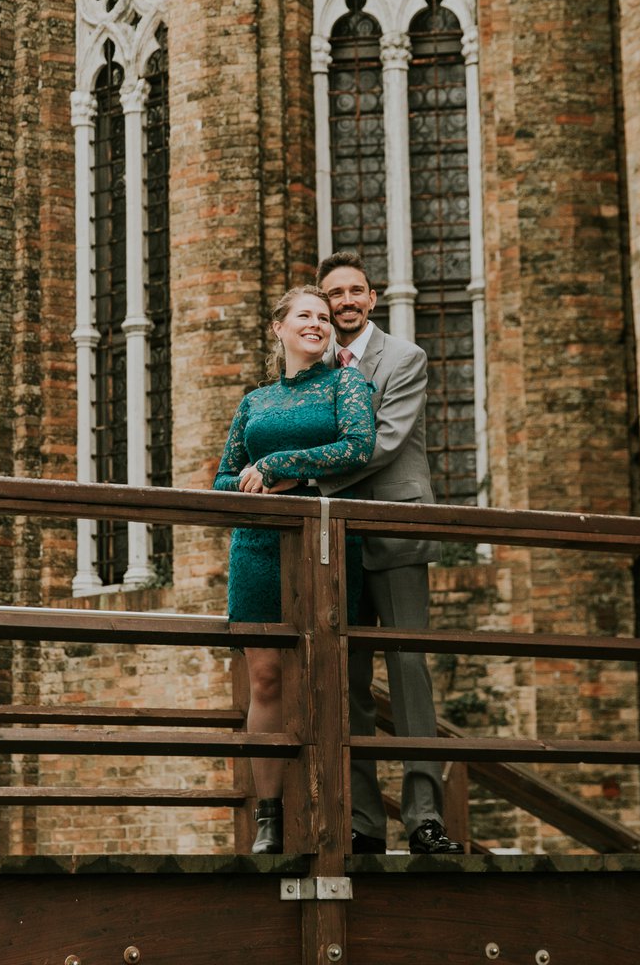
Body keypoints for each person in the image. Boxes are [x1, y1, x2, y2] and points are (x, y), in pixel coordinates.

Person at [212, 284, 377, 854]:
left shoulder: (346, 383)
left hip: (323, 545)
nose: (318, 324)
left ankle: (327, 811)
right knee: (265, 680)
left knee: (322, 677)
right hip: (257, 546)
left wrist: (282, 466)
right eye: (304, 315)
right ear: (278, 328)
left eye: (324, 317)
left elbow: (357, 446)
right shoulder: (255, 401)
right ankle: (269, 816)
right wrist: (255, 481)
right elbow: (222, 479)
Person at [317, 250, 464, 855]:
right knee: (348, 680)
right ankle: (363, 823)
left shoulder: (404, 358)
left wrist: (303, 477)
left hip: (397, 531)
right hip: (337, 542)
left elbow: (382, 443)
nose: (346, 301)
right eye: (335, 294)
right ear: (324, 304)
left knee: (409, 674)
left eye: (355, 291)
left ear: (372, 298)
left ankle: (424, 818)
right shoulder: (315, 366)